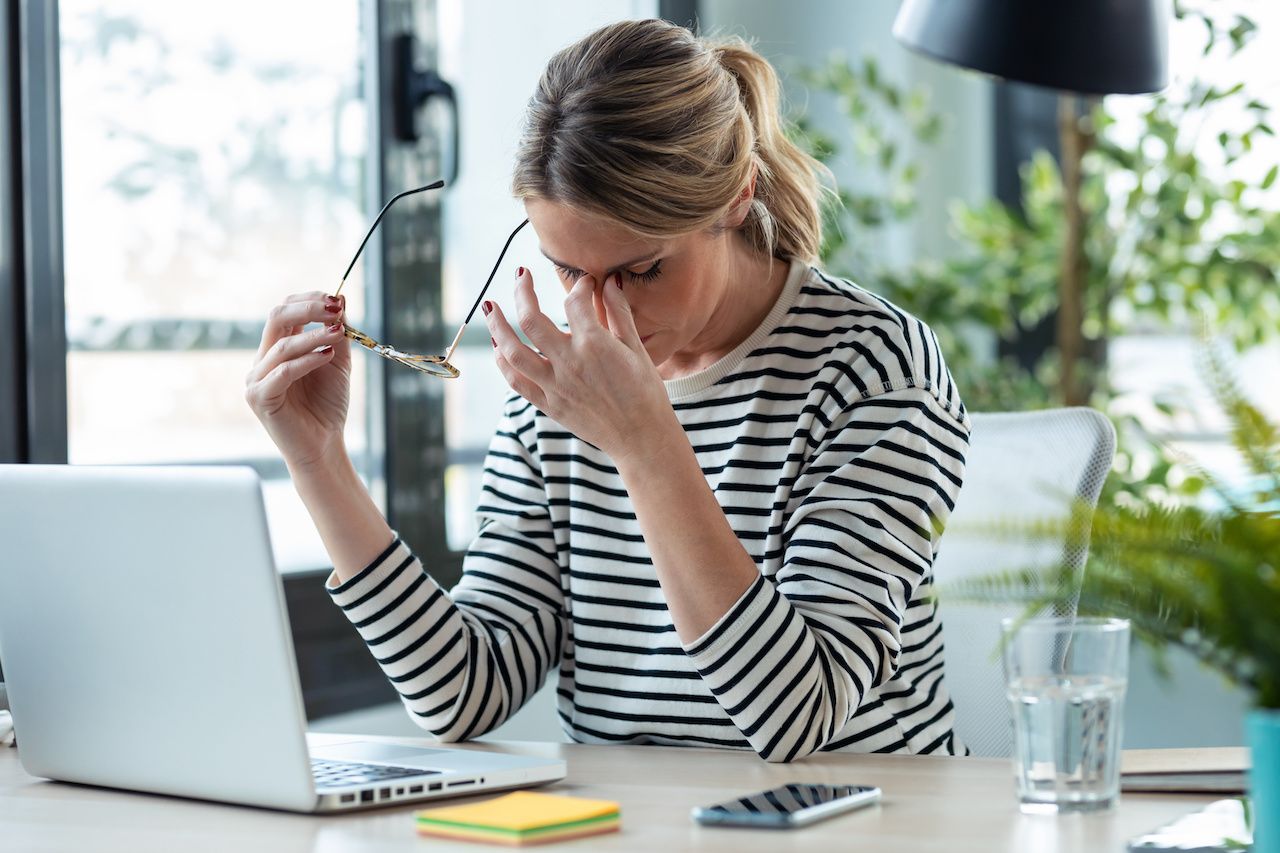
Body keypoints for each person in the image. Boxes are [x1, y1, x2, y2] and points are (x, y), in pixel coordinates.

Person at [246, 18, 969, 762]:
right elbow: (462, 690)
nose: (600, 314)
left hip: (854, 822)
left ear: (735, 197)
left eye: (642, 270)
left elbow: (796, 713)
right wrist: (320, 464)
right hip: (630, 826)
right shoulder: (561, 388)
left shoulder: (873, 367)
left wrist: (645, 442)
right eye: (567, 271)